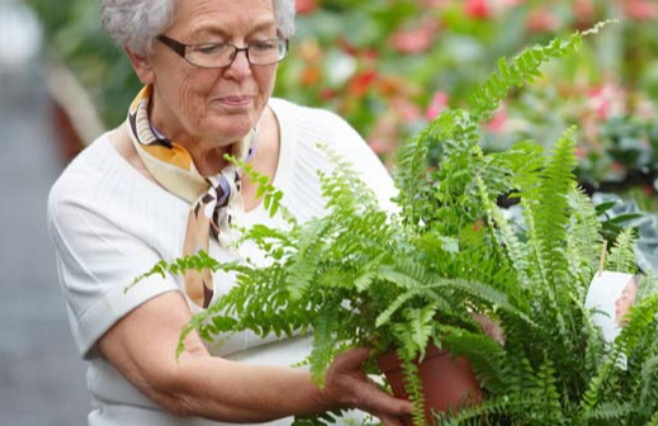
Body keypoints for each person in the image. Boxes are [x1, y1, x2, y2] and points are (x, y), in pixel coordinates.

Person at [46, 0, 413, 425]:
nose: (242, 70)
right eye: (209, 48)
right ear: (141, 56)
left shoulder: (325, 144)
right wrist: (327, 389)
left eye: (261, 43)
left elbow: (419, 286)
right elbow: (177, 378)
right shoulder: (94, 195)